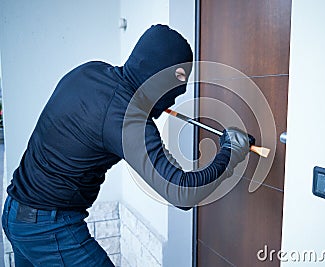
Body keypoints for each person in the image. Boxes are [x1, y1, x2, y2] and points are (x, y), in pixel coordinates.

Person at [1, 24, 254, 266]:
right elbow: (182, 192)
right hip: (48, 228)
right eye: (180, 81)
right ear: (173, 76)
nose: (175, 100)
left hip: (15, 213)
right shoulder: (127, 116)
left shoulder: (91, 71)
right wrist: (230, 152)